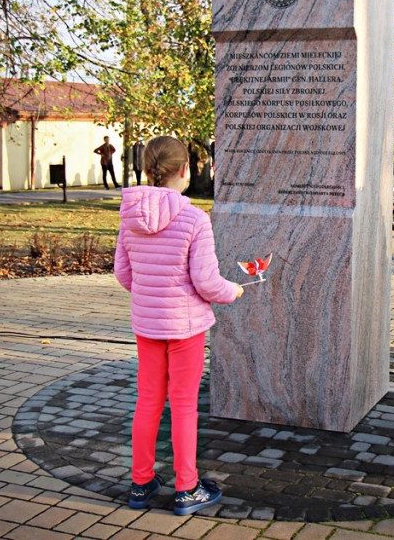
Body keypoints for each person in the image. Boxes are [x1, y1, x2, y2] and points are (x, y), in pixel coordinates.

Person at [115, 136, 245, 516]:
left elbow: (124, 272)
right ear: (186, 170)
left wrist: (149, 294)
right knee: (184, 405)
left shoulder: (130, 214)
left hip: (147, 323)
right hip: (185, 326)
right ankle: (187, 488)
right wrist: (233, 291)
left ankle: (141, 483)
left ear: (147, 170)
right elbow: (206, 282)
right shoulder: (194, 219)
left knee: (148, 401)